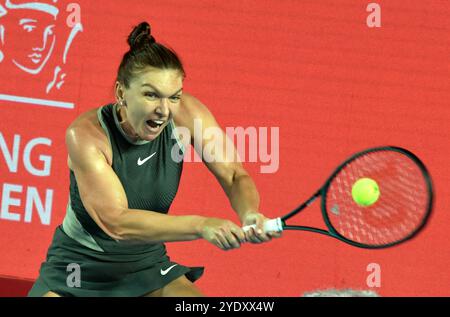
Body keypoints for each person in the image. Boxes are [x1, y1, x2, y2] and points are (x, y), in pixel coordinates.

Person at [28, 21, 280, 297]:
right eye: (151, 95)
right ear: (121, 93)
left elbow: (233, 174)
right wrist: (202, 225)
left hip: (146, 264)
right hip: (79, 267)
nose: (163, 110)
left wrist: (249, 213)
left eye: (174, 97)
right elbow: (117, 222)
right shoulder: (86, 135)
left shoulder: (187, 115)